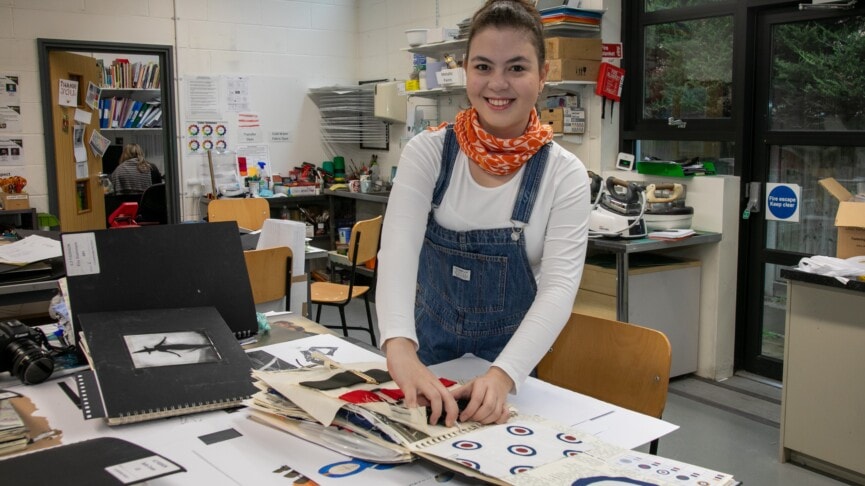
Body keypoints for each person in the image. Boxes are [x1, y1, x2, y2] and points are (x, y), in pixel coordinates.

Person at [376, 0, 591, 428]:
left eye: (516, 68)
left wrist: (502, 377)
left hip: (512, 370)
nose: (498, 84)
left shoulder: (564, 175)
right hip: (426, 360)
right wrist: (399, 349)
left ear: (542, 75)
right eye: (483, 67)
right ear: (466, 71)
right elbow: (397, 252)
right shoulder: (429, 153)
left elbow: (558, 289)